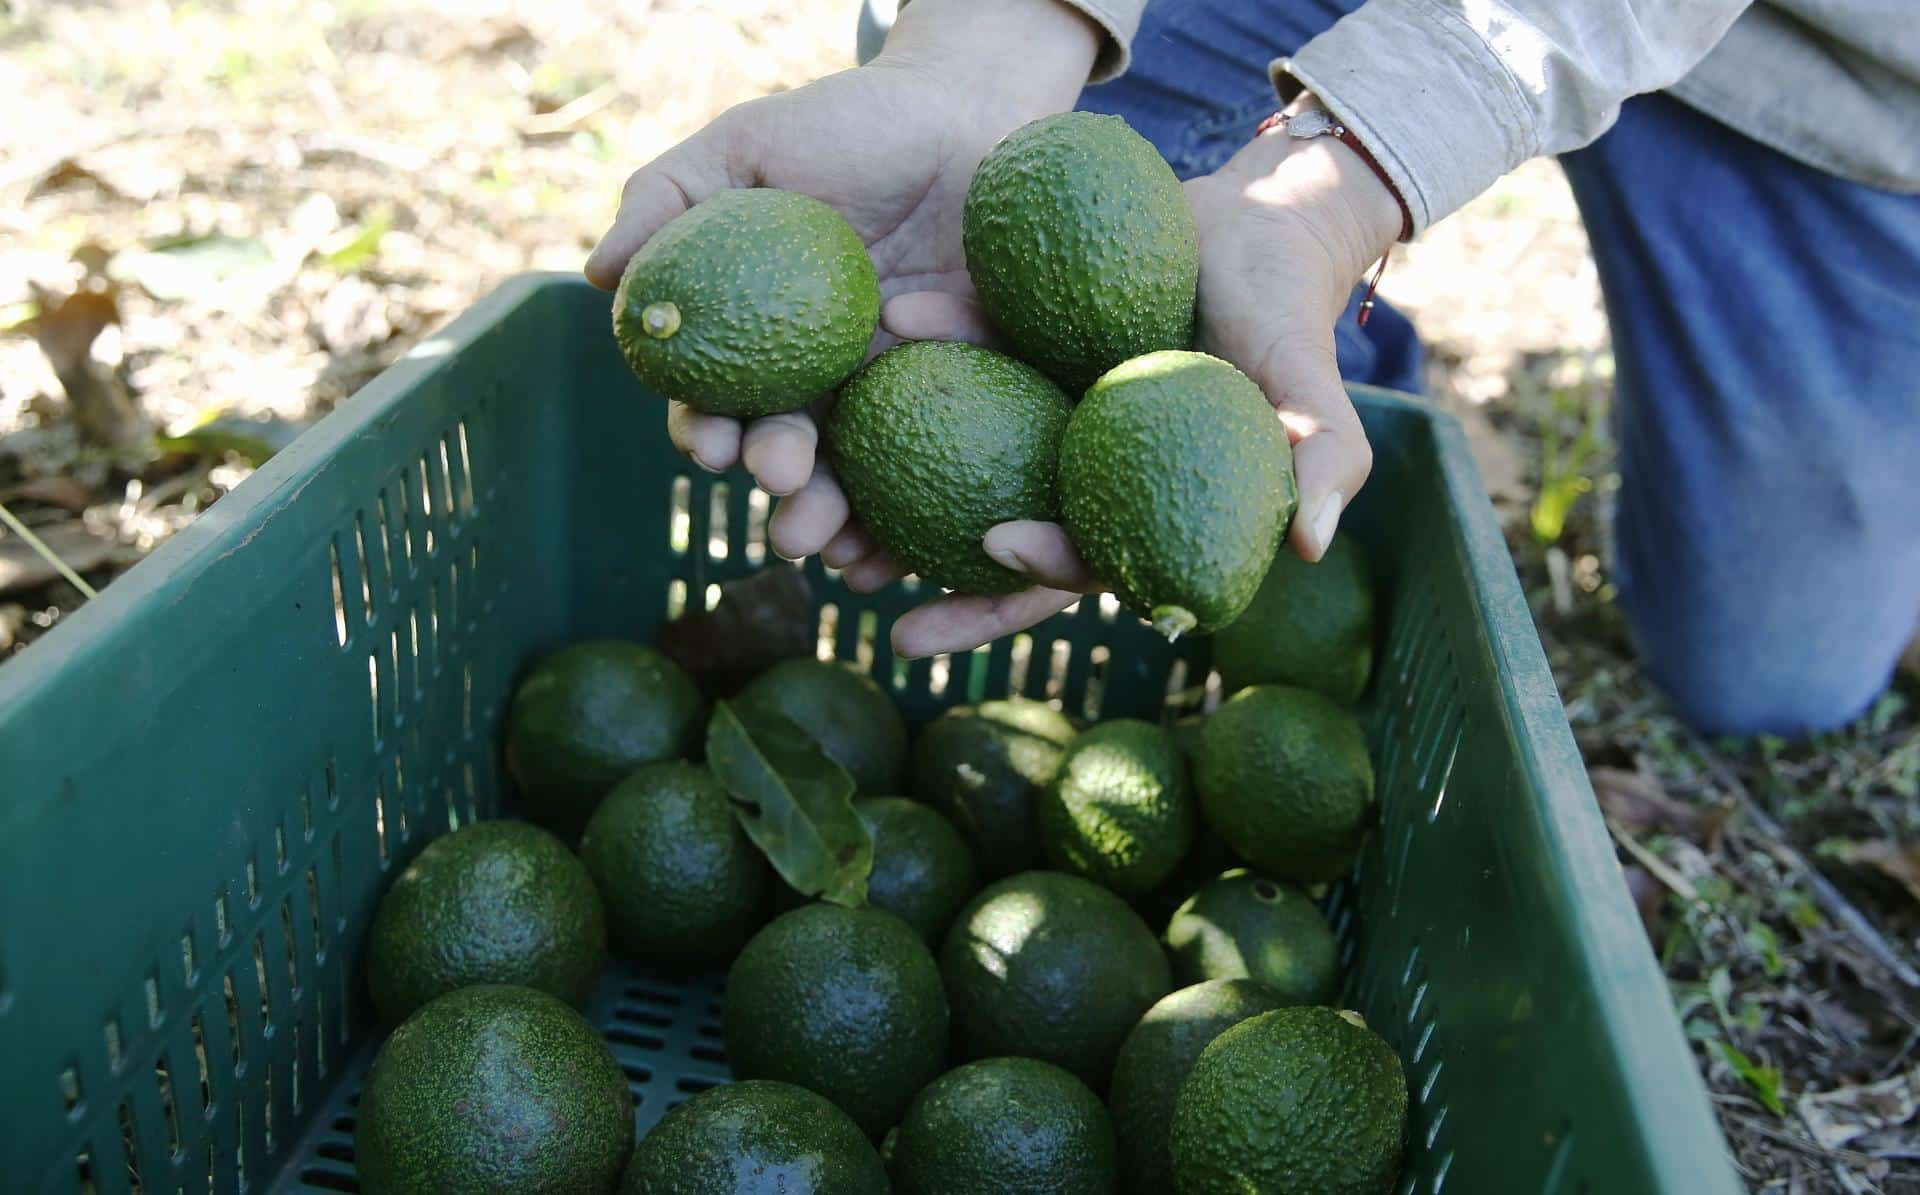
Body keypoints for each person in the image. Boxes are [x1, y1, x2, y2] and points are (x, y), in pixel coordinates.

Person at [584, 0, 1920, 738]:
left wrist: (1349, 180)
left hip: (1810, 63)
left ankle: (1314, 284)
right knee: (1040, 201)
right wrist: (984, 55)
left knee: (1774, 671)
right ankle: (1332, 340)